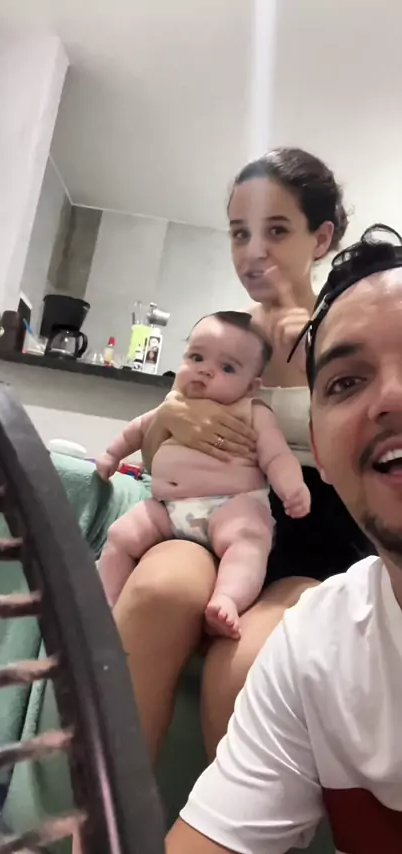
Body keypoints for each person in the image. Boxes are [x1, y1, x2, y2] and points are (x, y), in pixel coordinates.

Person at [113, 148, 374, 763]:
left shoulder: (351, 329)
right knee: (157, 593)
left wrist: (317, 360)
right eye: (239, 233)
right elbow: (154, 460)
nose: (252, 251)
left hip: (314, 529)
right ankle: (100, 811)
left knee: (246, 661)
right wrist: (171, 417)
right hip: (209, 516)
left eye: (276, 231)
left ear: (321, 238)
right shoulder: (227, 338)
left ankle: (221, 817)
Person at [166, 223, 402, 854]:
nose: (390, 397)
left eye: (276, 229)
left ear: (320, 237)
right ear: (318, 446)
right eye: (346, 381)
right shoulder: (314, 646)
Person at [96, 312, 310, 636]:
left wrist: (291, 487)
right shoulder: (175, 404)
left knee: (249, 540)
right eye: (196, 357)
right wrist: (112, 455)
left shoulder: (252, 412)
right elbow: (136, 431)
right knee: (121, 535)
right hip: (167, 509)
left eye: (227, 368)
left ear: (251, 386)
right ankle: (105, 604)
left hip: (230, 506)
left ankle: (228, 598)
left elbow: (277, 455)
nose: (205, 370)